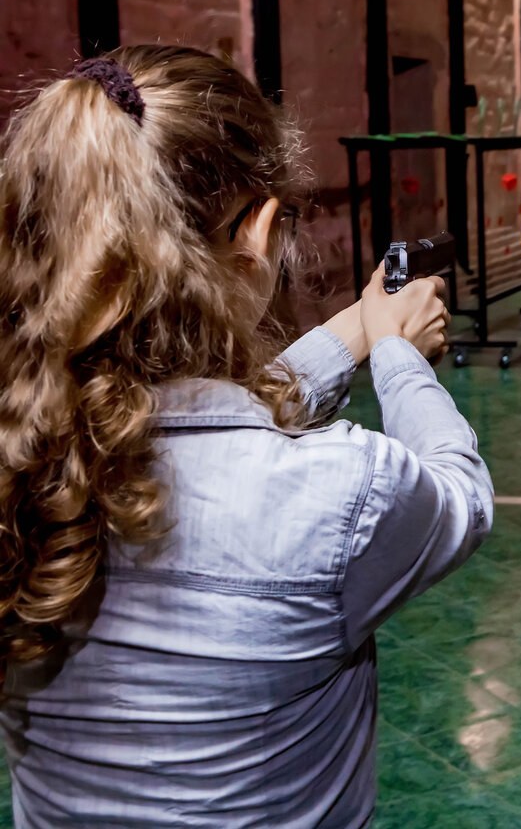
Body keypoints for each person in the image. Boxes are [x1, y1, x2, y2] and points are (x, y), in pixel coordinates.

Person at [0, 45, 493, 826]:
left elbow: (199, 423)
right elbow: (460, 496)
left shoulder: (22, 444)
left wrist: (359, 330)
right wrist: (397, 354)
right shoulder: (343, 493)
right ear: (257, 231)